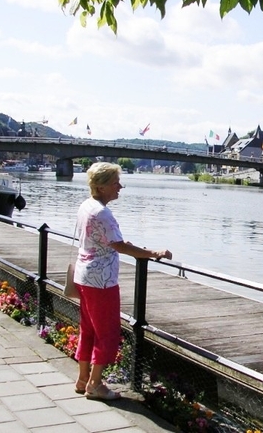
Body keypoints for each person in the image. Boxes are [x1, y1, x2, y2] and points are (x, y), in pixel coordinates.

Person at [73, 162, 172, 400]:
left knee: (88, 329)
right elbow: (119, 245)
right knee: (106, 332)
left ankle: (83, 378)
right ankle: (95, 385)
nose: (120, 187)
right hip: (101, 281)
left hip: (84, 275)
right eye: (116, 182)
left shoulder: (87, 206)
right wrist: (152, 253)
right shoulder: (103, 213)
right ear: (102, 186)